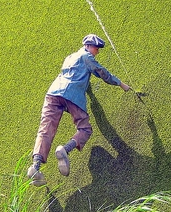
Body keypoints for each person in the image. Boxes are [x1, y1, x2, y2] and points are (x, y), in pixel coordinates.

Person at [27, 34, 131, 186]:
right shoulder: (86, 56)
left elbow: (75, 74)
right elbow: (102, 72)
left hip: (52, 93)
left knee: (45, 129)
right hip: (72, 95)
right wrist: (121, 84)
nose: (97, 52)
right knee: (85, 129)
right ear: (88, 46)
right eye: (96, 48)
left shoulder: (70, 57)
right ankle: (65, 149)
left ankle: (35, 167)